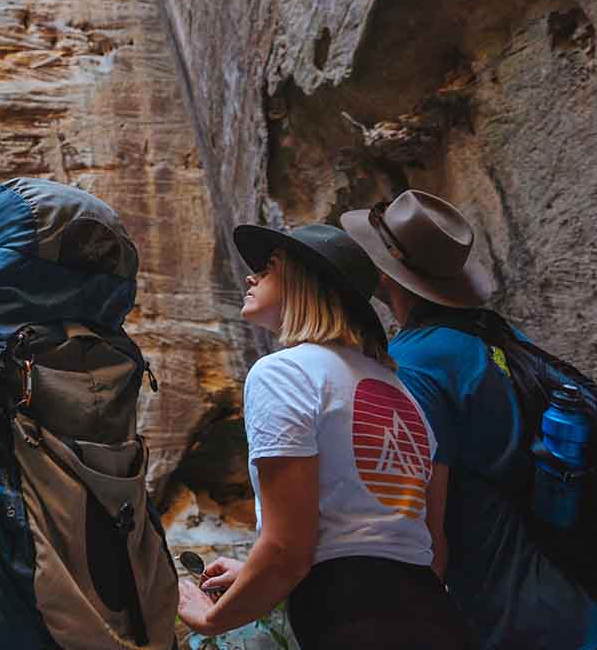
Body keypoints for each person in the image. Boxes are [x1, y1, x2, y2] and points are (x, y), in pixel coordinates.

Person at [341, 190, 597, 649]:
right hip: (581, 596)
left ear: (384, 271)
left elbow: (424, 530)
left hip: (510, 615)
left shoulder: (412, 366)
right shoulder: (496, 335)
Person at [178, 222, 471, 650]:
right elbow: (422, 546)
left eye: (271, 266)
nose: (250, 276)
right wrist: (255, 575)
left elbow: (287, 550)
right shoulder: (401, 392)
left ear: (307, 283)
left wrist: (212, 618)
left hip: (348, 623)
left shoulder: (284, 373)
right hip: (433, 617)